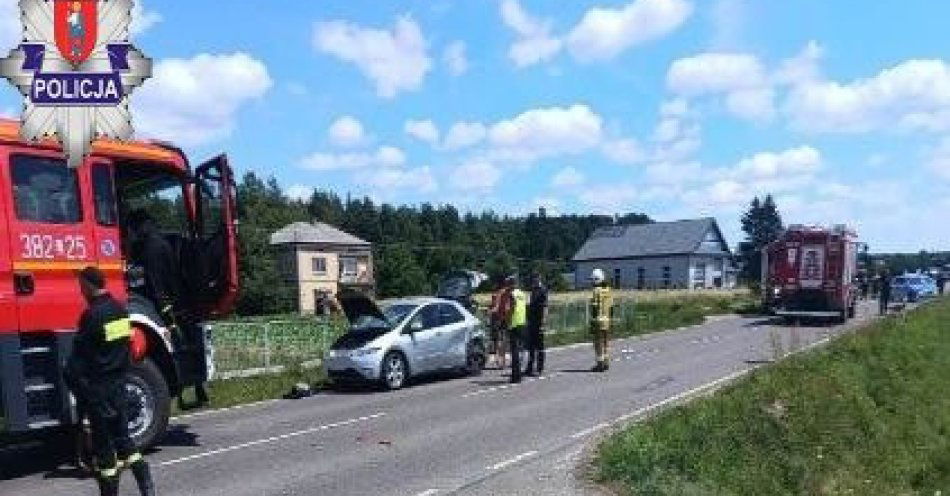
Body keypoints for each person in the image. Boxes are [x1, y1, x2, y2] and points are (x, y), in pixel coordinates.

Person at [65, 267, 156, 496]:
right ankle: (146, 484)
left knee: (104, 452)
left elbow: (79, 360)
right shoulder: (120, 310)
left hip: (99, 390)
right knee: (124, 439)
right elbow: (125, 347)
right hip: (119, 385)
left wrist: (75, 384)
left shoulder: (92, 315)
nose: (80, 290)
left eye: (81, 285)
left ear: (87, 285)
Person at [126, 209, 208, 407]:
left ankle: (191, 388)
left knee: (179, 343)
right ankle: (197, 389)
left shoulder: (151, 248)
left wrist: (162, 306)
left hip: (166, 304)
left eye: (133, 228)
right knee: (185, 341)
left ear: (141, 226)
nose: (132, 233)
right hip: (177, 302)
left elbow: (155, 281)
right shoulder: (161, 243)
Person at [523, 273, 548, 377]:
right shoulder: (533, 290)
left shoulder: (543, 290)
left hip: (539, 321)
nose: (533, 282)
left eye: (535, 280)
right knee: (531, 347)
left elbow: (545, 308)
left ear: (539, 279)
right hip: (531, 322)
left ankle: (540, 368)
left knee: (540, 346)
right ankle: (530, 367)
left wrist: (543, 322)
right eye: (532, 280)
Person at [505, 275, 528, 384]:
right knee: (520, 350)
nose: (507, 286)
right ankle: (520, 373)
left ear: (511, 284)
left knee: (514, 351)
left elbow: (512, 308)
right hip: (522, 323)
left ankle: (516, 376)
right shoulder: (522, 294)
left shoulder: (512, 294)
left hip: (514, 324)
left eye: (508, 284)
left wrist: (507, 320)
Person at [589, 268, 612, 372]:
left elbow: (594, 307)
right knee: (606, 342)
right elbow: (611, 307)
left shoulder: (596, 291)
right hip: (607, 319)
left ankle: (600, 364)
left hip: (598, 319)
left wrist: (592, 320)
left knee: (598, 342)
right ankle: (606, 362)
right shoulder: (608, 290)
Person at [488, 283, 509, 370]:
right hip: (505, 318)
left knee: (496, 340)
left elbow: (496, 307)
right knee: (503, 340)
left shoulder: (497, 294)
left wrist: (489, 311)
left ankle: (498, 361)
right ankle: (502, 361)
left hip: (497, 319)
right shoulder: (506, 293)